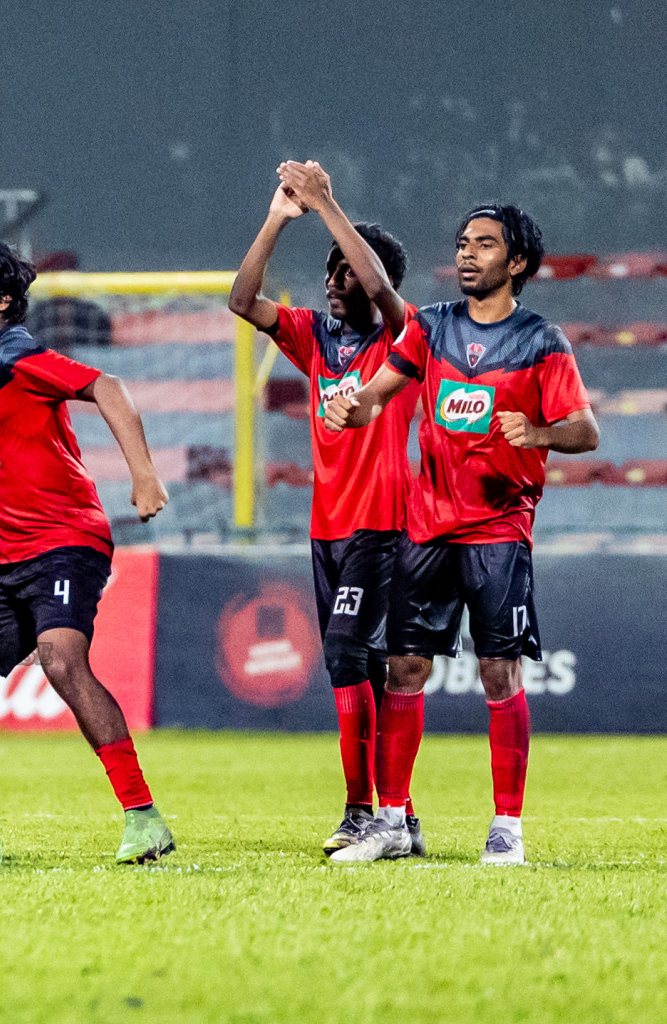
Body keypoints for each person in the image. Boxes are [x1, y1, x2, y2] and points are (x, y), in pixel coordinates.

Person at [324, 204, 598, 865]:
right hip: (427, 526)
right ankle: (392, 821)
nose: (468, 254)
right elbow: (378, 394)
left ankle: (507, 828)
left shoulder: (542, 340)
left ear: (519, 263)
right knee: (404, 668)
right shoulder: (431, 328)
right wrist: (348, 405)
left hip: (499, 527)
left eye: (485, 244)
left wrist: (537, 433)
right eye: (463, 243)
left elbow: (585, 432)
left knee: (498, 671)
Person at [0, 238, 173, 867]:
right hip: (4, 558)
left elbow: (106, 386)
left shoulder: (20, 352)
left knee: (61, 662)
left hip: (63, 541)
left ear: (2, 299)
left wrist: (143, 476)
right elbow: (12, 422)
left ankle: (144, 818)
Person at [228, 159, 425, 857]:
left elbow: (379, 285)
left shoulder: (404, 336)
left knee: (346, 652)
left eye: (344, 270)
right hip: (328, 527)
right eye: (329, 269)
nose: (333, 281)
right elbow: (242, 300)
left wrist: (330, 205)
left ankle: (359, 812)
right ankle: (395, 816)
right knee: (359, 667)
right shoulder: (318, 338)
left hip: (384, 522)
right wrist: (281, 217)